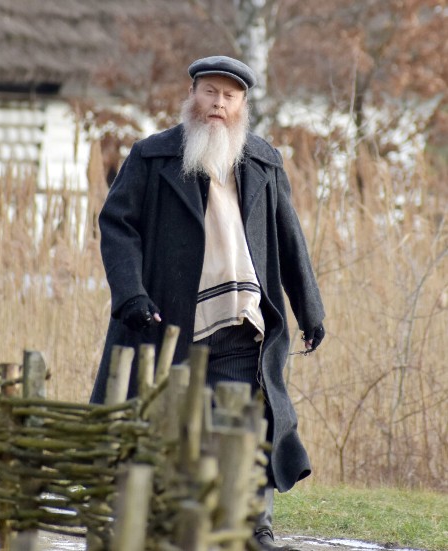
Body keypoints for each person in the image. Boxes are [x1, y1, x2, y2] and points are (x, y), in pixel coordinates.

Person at [90, 55, 326, 550]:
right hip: (169, 324)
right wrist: (130, 293)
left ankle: (255, 524)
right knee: (166, 429)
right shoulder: (152, 157)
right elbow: (117, 228)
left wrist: (310, 309)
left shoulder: (263, 160)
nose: (219, 104)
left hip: (243, 323)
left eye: (230, 96)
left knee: (251, 421)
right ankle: (163, 522)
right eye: (210, 92)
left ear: (243, 104)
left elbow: (290, 239)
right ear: (192, 95)